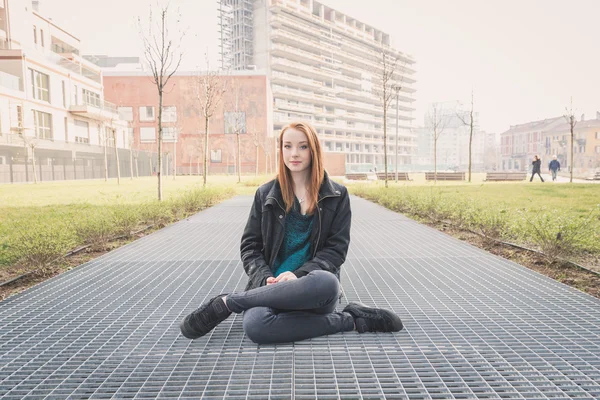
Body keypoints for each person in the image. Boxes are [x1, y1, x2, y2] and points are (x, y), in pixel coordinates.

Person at [180, 121, 403, 344]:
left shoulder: (337, 194)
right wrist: (265, 278)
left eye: (303, 146)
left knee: (328, 282)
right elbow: (250, 247)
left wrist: (298, 275)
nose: (294, 153)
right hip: (270, 289)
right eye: (287, 146)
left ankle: (229, 302)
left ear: (313, 150)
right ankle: (351, 320)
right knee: (256, 326)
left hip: (313, 290)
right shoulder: (265, 194)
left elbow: (336, 251)